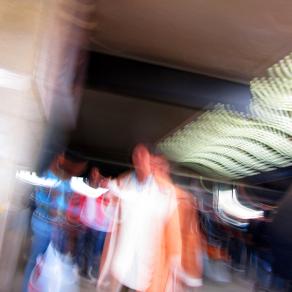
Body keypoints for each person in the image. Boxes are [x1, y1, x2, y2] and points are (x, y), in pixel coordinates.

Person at [98, 144, 182, 292]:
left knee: (144, 285)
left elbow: (173, 229)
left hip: (149, 258)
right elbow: (112, 213)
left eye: (142, 155)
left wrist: (175, 259)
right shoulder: (123, 181)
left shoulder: (165, 190)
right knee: (119, 284)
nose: (138, 158)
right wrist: (110, 199)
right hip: (123, 253)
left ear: (150, 159)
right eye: (135, 155)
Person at [22, 153, 87, 292]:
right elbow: (39, 198)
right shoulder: (49, 175)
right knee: (36, 261)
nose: (77, 170)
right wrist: (53, 207)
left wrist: (68, 217)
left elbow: (69, 206)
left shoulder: (70, 182)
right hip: (43, 227)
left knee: (48, 265)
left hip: (58, 231)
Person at [151, 155, 203, 290]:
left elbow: (190, 238)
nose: (154, 169)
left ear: (166, 169)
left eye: (158, 165)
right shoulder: (141, 195)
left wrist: (188, 271)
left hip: (167, 267)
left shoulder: (183, 199)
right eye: (151, 165)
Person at [72, 166, 114, 281]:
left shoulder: (109, 191)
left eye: (98, 173)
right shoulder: (91, 185)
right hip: (86, 222)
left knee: (94, 251)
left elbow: (108, 208)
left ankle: (88, 270)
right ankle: (77, 267)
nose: (102, 180)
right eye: (94, 172)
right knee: (81, 246)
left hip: (99, 227)